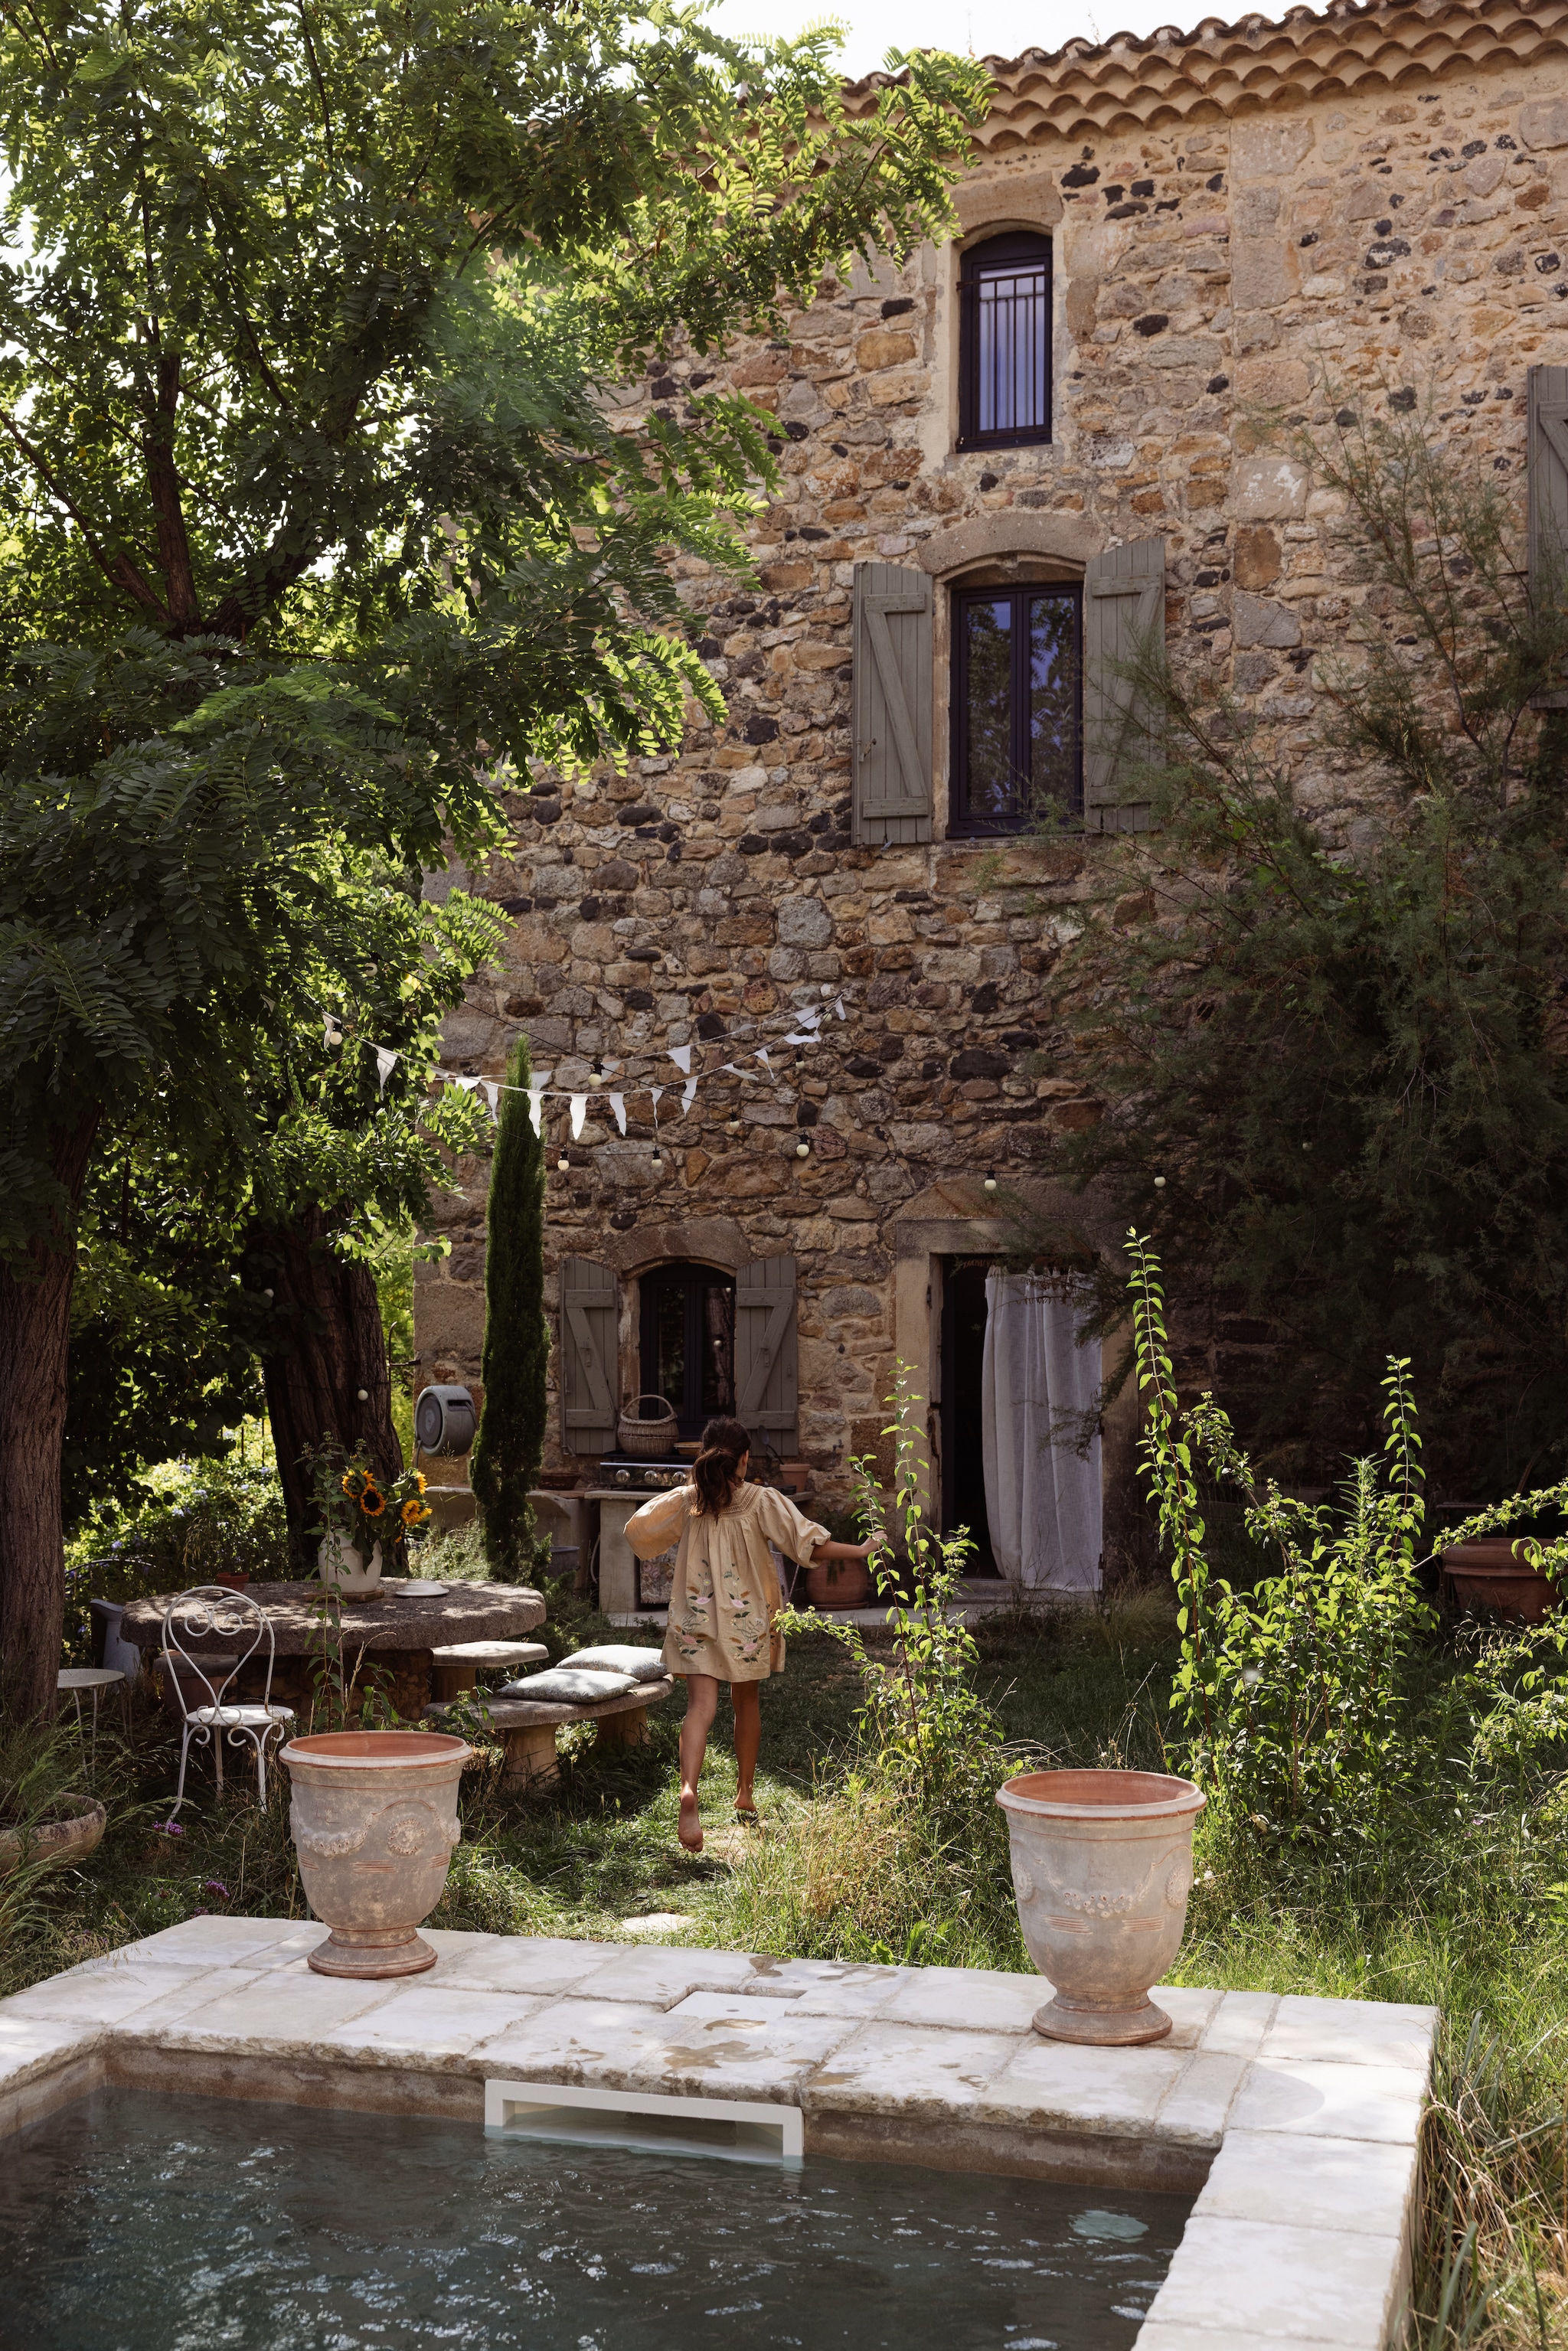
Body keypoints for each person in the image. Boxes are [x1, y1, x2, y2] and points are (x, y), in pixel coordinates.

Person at [625, 1414, 876, 1853]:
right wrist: (861, 1548)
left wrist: (687, 1490)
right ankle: (744, 1793)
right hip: (747, 1624)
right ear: (744, 1459)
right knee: (747, 1701)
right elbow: (808, 1544)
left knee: (700, 1708)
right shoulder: (762, 1500)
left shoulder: (689, 1501)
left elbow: (637, 1531)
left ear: (705, 1457)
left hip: (695, 1617)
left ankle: (689, 1789)